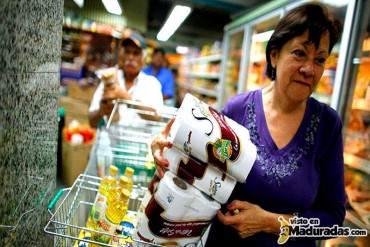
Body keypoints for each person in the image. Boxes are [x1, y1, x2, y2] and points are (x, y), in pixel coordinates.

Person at [150, 3, 345, 247]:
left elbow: (334, 219)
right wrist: (168, 152)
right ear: (274, 55)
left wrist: (270, 222)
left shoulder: (328, 126)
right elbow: (200, 169)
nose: (309, 69)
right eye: (299, 53)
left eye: (320, 59)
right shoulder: (237, 111)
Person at [88, 32, 163, 128]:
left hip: (137, 141)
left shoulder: (151, 84)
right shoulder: (110, 78)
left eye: (136, 53)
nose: (130, 57)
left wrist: (127, 98)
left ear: (143, 59)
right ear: (122, 56)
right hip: (109, 141)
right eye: (127, 52)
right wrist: (101, 111)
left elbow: (157, 116)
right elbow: (91, 122)